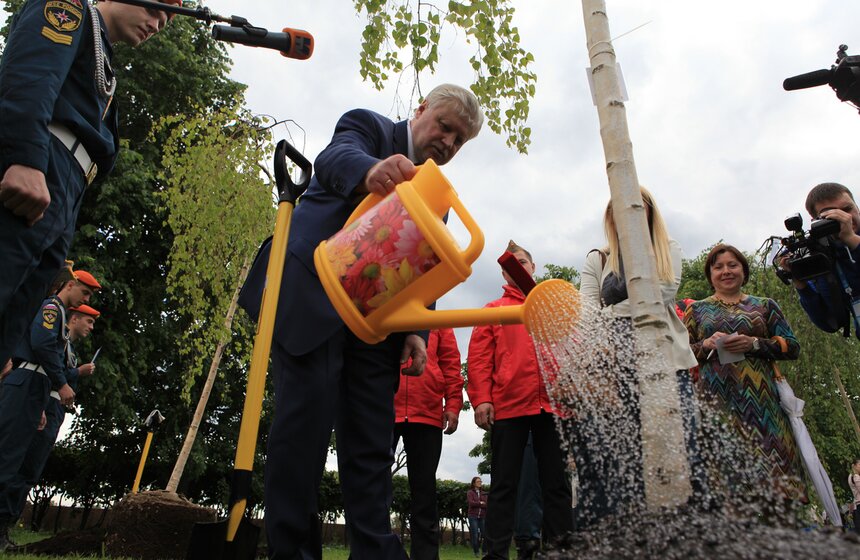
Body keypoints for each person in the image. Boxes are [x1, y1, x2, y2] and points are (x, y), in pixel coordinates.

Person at [237, 84, 483, 560]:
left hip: (376, 327)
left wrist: (416, 331)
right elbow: (334, 159)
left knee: (371, 448)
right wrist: (372, 170)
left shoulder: (437, 198)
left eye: (460, 141)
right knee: (301, 436)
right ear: (421, 110)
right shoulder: (368, 128)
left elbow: (426, 266)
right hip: (313, 298)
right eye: (445, 127)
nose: (449, 143)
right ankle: (293, 553)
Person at [0, 0, 178, 377]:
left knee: (15, 308)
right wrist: (25, 157)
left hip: (67, 189)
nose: (157, 25)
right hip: (41, 162)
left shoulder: (104, 60)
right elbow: (31, 78)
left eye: (165, 22)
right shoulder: (70, 9)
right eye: (155, 10)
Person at [577, 187, 699, 526]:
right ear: (610, 217)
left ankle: (679, 530)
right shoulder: (598, 259)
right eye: (618, 206)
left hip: (667, 363)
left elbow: (661, 294)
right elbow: (586, 311)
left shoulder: (667, 248)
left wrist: (611, 312)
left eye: (636, 205)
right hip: (615, 369)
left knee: (678, 450)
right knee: (626, 457)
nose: (627, 211)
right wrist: (618, 312)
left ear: (649, 212)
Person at [466, 241, 573, 559]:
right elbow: (479, 360)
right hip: (509, 405)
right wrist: (481, 400)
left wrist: (571, 394)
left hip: (552, 405)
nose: (518, 267)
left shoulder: (552, 308)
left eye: (523, 262)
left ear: (533, 267)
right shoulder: (493, 310)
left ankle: (561, 552)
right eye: (511, 264)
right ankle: (496, 554)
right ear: (504, 273)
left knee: (556, 483)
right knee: (503, 484)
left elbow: (569, 352)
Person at [684, 244, 804, 494]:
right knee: (728, 490)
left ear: (744, 270)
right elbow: (680, 354)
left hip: (765, 407)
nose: (726, 271)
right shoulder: (696, 310)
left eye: (732, 265)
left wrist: (755, 344)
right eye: (718, 267)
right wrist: (705, 345)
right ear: (710, 275)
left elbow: (792, 347)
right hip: (717, 407)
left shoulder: (765, 305)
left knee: (778, 490)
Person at [0, 269, 100, 548]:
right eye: (84, 293)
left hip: (35, 387)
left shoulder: (58, 313)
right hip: (28, 383)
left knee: (15, 460)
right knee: (7, 456)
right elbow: (43, 344)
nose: (85, 299)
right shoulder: (52, 309)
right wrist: (63, 383)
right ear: (69, 285)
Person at [392, 327, 463, 560]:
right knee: (372, 485)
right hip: (384, 409)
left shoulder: (439, 323)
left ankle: (426, 556)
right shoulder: (387, 311)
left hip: (427, 412)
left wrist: (453, 404)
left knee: (424, 492)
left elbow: (451, 365)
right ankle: (368, 551)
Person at [782, 183, 860, 336]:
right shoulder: (823, 256)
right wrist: (802, 285)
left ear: (857, 207)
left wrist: (851, 239)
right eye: (831, 215)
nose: (845, 218)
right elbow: (830, 322)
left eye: (847, 209)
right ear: (816, 221)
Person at [466, 476, 487, 557]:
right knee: (475, 535)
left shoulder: (484, 493)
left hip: (482, 517)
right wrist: (480, 503)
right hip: (473, 517)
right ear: (474, 483)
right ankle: (476, 552)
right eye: (478, 481)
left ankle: (484, 551)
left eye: (480, 481)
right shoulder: (470, 492)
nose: (480, 483)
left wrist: (478, 504)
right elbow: (471, 503)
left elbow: (486, 505)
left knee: (485, 535)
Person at [849, 458, 860, 534]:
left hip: (857, 504)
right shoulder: (856, 477)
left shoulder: (850, 476)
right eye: (859, 465)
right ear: (854, 466)